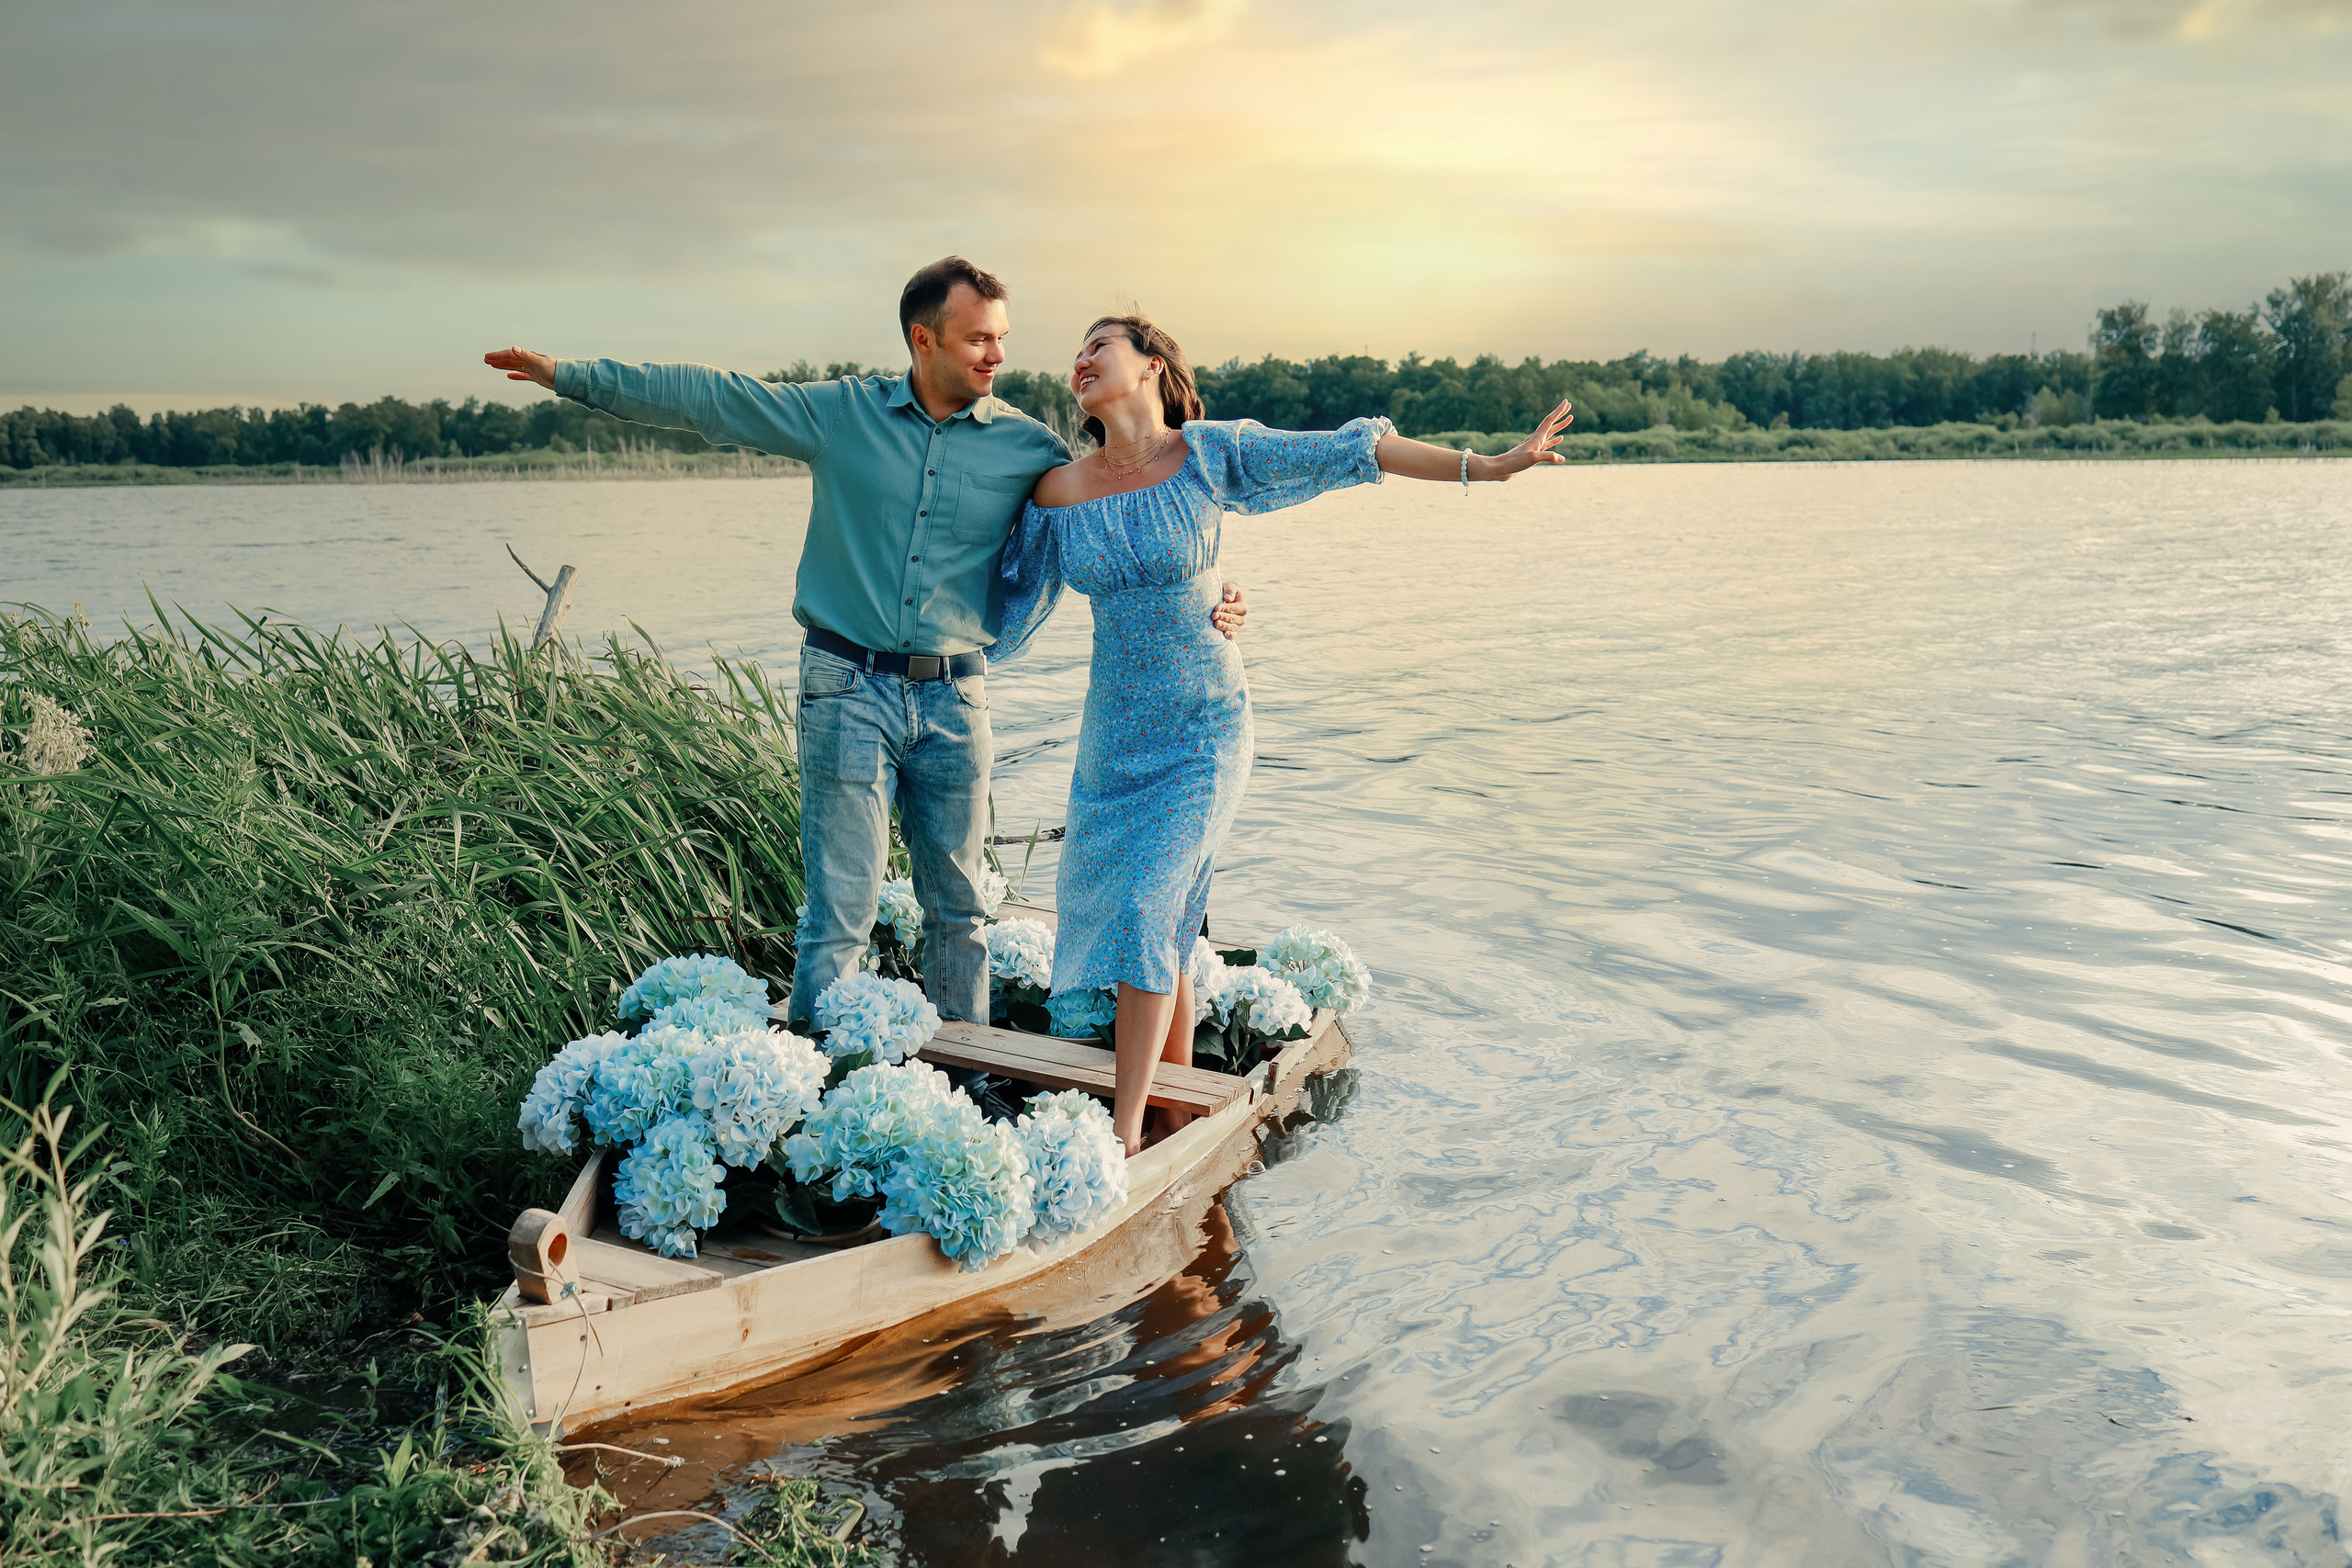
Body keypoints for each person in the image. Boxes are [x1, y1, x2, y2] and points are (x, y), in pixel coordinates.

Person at [482, 258, 1249, 1032]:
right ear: (925, 339)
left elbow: (1133, 509)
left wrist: (1211, 595)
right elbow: (715, 401)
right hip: (846, 687)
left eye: (1003, 337)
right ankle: (817, 1079)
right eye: (979, 338)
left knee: (961, 908)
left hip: (957, 696)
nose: (997, 355)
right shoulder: (840, 414)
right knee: (840, 907)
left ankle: (970, 1081)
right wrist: (568, 375)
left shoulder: (1031, 450)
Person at [989, 313, 1573, 1155]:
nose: (1079, 358)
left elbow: (1353, 451)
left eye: (1099, 345)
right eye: (1076, 349)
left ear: (1152, 365)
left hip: (1203, 728)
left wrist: (1490, 466)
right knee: (1158, 930)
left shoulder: (1208, 454)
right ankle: (1173, 1111)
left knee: (1152, 907)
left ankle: (1117, 1143)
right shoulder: (1057, 490)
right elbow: (1002, 601)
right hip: (1114, 739)